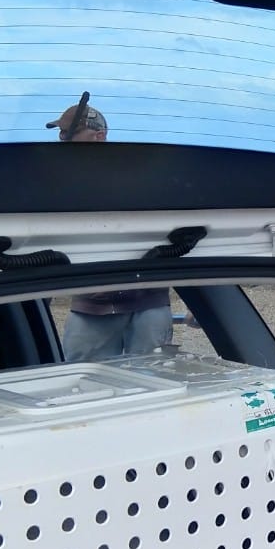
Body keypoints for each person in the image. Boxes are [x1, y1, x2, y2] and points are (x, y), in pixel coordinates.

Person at [46, 98, 174, 361]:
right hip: (90, 308)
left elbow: (176, 237)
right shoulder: (59, 182)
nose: (61, 140)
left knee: (152, 383)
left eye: (69, 134)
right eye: (59, 133)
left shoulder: (141, 177)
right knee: (82, 386)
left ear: (99, 136)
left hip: (149, 304)